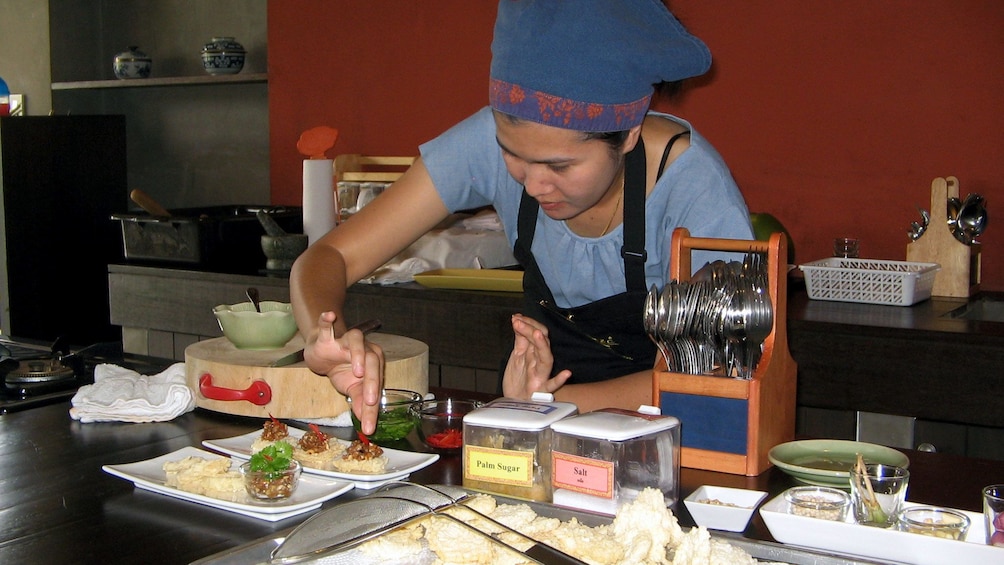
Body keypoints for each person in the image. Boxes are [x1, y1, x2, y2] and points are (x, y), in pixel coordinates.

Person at [290, 0, 753, 432]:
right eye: (513, 155)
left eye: (559, 166)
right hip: (533, 415)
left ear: (629, 134)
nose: (532, 185)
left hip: (668, 435)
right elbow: (330, 255)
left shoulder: (694, 190)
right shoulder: (485, 141)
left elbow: (718, 367)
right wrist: (324, 337)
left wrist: (551, 403)